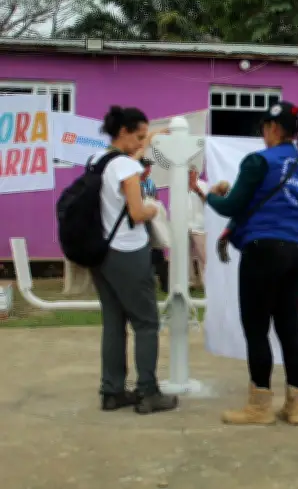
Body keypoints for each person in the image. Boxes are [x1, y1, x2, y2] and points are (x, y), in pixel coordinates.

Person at [197, 101, 298, 426]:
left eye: (264, 127)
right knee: (289, 330)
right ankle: (296, 405)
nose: (262, 134)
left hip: (262, 251)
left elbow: (231, 206)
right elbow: (272, 203)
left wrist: (208, 194)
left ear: (274, 129)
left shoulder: (258, 161)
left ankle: (259, 406)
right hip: (296, 251)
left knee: (257, 330)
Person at [89, 106, 178, 415]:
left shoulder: (98, 160)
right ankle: (148, 392)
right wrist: (154, 209)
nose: (142, 143)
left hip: (100, 253)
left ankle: (111, 391)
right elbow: (138, 213)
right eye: (139, 136)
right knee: (146, 323)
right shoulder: (126, 167)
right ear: (124, 132)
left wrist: (150, 138)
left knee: (114, 323)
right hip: (128, 253)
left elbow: (130, 158)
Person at [140, 158, 169, 294]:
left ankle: (165, 284)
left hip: (153, 220)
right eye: (146, 167)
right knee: (146, 252)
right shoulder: (134, 182)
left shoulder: (151, 183)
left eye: (149, 167)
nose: (149, 170)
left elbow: (156, 199)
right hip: (141, 221)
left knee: (157, 252)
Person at [187, 166, 208, 290]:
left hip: (200, 226)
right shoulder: (179, 186)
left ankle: (205, 282)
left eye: (191, 172)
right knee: (184, 256)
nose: (189, 175)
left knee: (203, 256)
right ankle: (190, 282)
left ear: (196, 173)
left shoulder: (204, 185)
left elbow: (209, 202)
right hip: (184, 226)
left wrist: (197, 190)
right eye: (187, 173)